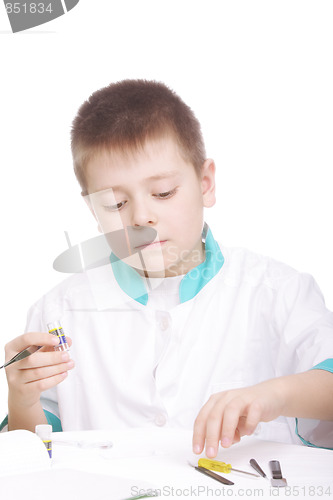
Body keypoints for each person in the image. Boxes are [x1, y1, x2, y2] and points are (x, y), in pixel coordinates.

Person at [1, 80, 333, 457]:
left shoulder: (277, 291)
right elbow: (31, 454)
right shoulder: (59, 310)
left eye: (163, 194)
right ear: (93, 211)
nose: (142, 216)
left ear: (205, 184)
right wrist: (22, 399)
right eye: (116, 204)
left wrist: (272, 396)